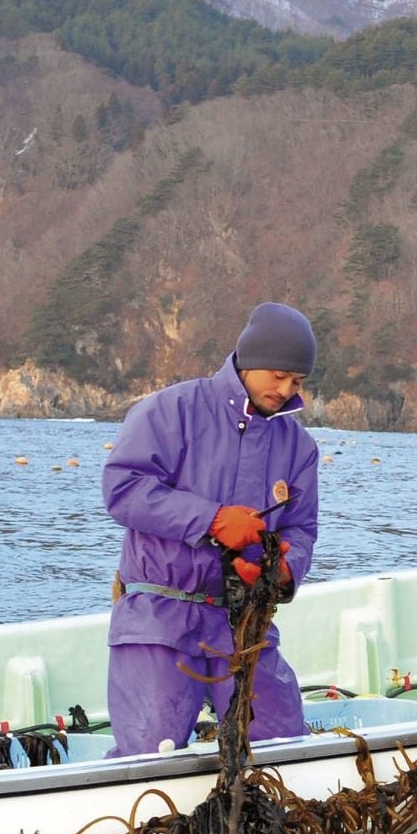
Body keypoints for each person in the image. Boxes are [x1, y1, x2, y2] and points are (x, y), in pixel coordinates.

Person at [103, 302, 320, 756]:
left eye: (297, 381)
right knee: (150, 750)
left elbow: (301, 528)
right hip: (158, 615)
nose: (285, 389)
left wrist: (283, 569)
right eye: (277, 376)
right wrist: (212, 519)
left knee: (283, 745)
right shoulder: (171, 410)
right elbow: (122, 488)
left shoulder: (298, 446)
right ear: (248, 359)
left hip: (242, 621)